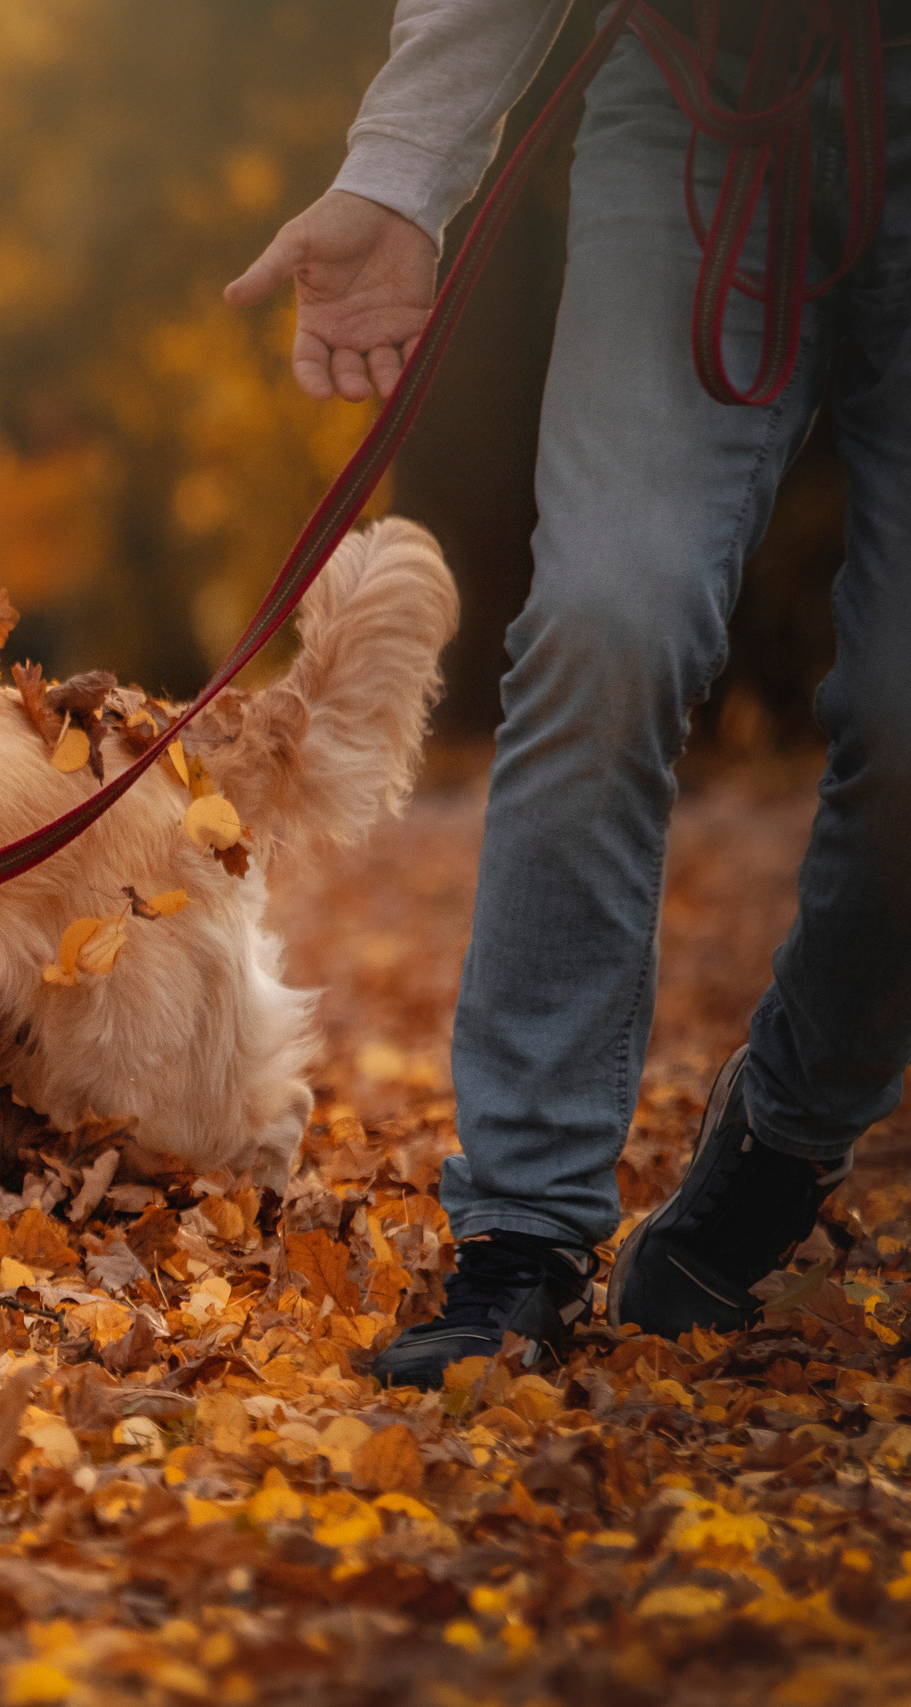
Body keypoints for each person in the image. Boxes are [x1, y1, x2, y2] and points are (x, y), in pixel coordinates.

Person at [227, 0, 911, 1386]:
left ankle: (785, 1133)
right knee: (603, 624)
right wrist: (401, 174)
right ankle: (523, 1231)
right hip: (702, 107)